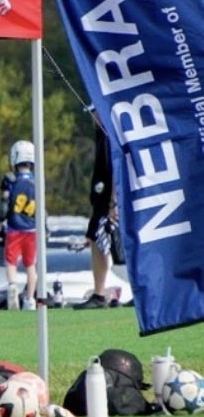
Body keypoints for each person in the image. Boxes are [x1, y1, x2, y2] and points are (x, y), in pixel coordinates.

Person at [75, 114, 116, 309]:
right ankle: (99, 292)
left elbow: (116, 168)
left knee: (105, 244)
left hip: (109, 201)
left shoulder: (109, 133)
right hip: (101, 201)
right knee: (97, 242)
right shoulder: (101, 134)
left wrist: (114, 203)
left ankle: (100, 293)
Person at [0, 140, 38, 310]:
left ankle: (12, 284)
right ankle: (30, 299)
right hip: (32, 229)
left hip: (14, 228)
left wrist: (0, 220)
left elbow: (5, 203)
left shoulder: (11, 180)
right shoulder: (37, 181)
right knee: (30, 265)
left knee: (11, 262)